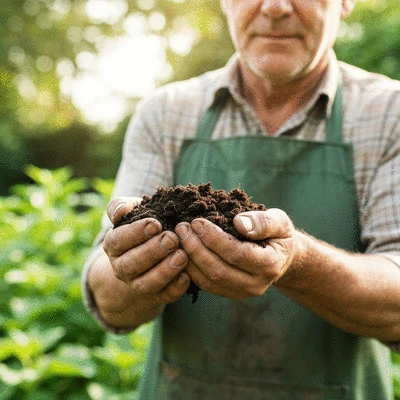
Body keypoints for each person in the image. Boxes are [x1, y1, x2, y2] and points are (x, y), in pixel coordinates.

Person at [83, 0, 400, 398]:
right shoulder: (165, 114)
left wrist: (295, 261)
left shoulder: (389, 115)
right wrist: (133, 260)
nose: (275, 7)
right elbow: (108, 300)